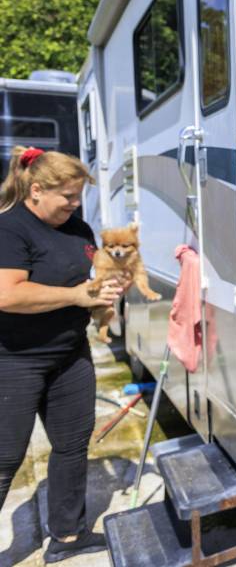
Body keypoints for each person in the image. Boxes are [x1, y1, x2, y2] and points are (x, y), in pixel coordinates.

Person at [0, 146, 123, 563]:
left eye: (77, 196)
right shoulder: (10, 228)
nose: (74, 204)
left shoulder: (79, 229)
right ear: (35, 190)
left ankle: (67, 538)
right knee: (5, 458)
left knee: (71, 446)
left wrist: (104, 298)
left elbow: (86, 282)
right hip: (15, 359)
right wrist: (75, 294)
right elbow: (8, 294)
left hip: (70, 355)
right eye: (67, 196)